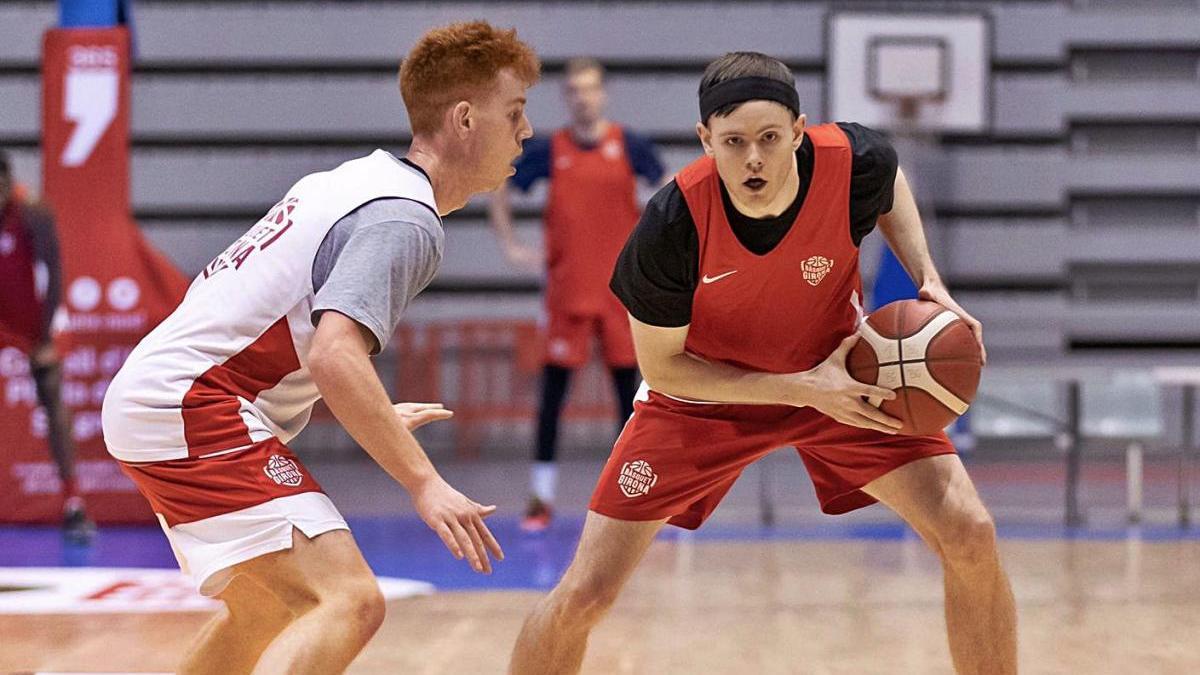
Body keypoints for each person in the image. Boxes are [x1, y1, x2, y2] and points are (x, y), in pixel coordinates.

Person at [508, 52, 1016, 675]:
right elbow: (665, 370)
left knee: (970, 533)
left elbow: (889, 184)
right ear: (706, 140)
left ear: (799, 131)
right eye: (734, 142)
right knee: (586, 594)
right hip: (704, 401)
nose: (753, 158)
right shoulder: (672, 225)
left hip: (838, 377)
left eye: (770, 139)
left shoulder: (853, 160)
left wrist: (928, 278)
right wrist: (799, 390)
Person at [101, 22, 538, 674]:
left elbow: (283, 337)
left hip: (157, 396)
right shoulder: (404, 217)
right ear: (466, 118)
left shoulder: (349, 181)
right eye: (516, 113)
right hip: (192, 403)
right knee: (353, 599)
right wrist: (425, 482)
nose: (526, 133)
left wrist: (380, 416)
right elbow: (333, 356)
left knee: (266, 610)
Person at [488, 58, 665, 531]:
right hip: (567, 294)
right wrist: (511, 246)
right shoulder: (550, 150)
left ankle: (632, 497)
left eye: (589, 89)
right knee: (552, 399)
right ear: (567, 97)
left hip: (621, 296)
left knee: (632, 404)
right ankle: (541, 499)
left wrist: (662, 251)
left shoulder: (630, 145)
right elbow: (500, 187)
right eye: (573, 90)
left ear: (602, 93)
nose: (582, 97)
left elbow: (668, 191)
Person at [0, 150, 93, 542]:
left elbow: (53, 275)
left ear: (7, 182)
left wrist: (47, 336)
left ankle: (74, 504)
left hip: (35, 322)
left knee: (52, 401)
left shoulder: (34, 212)